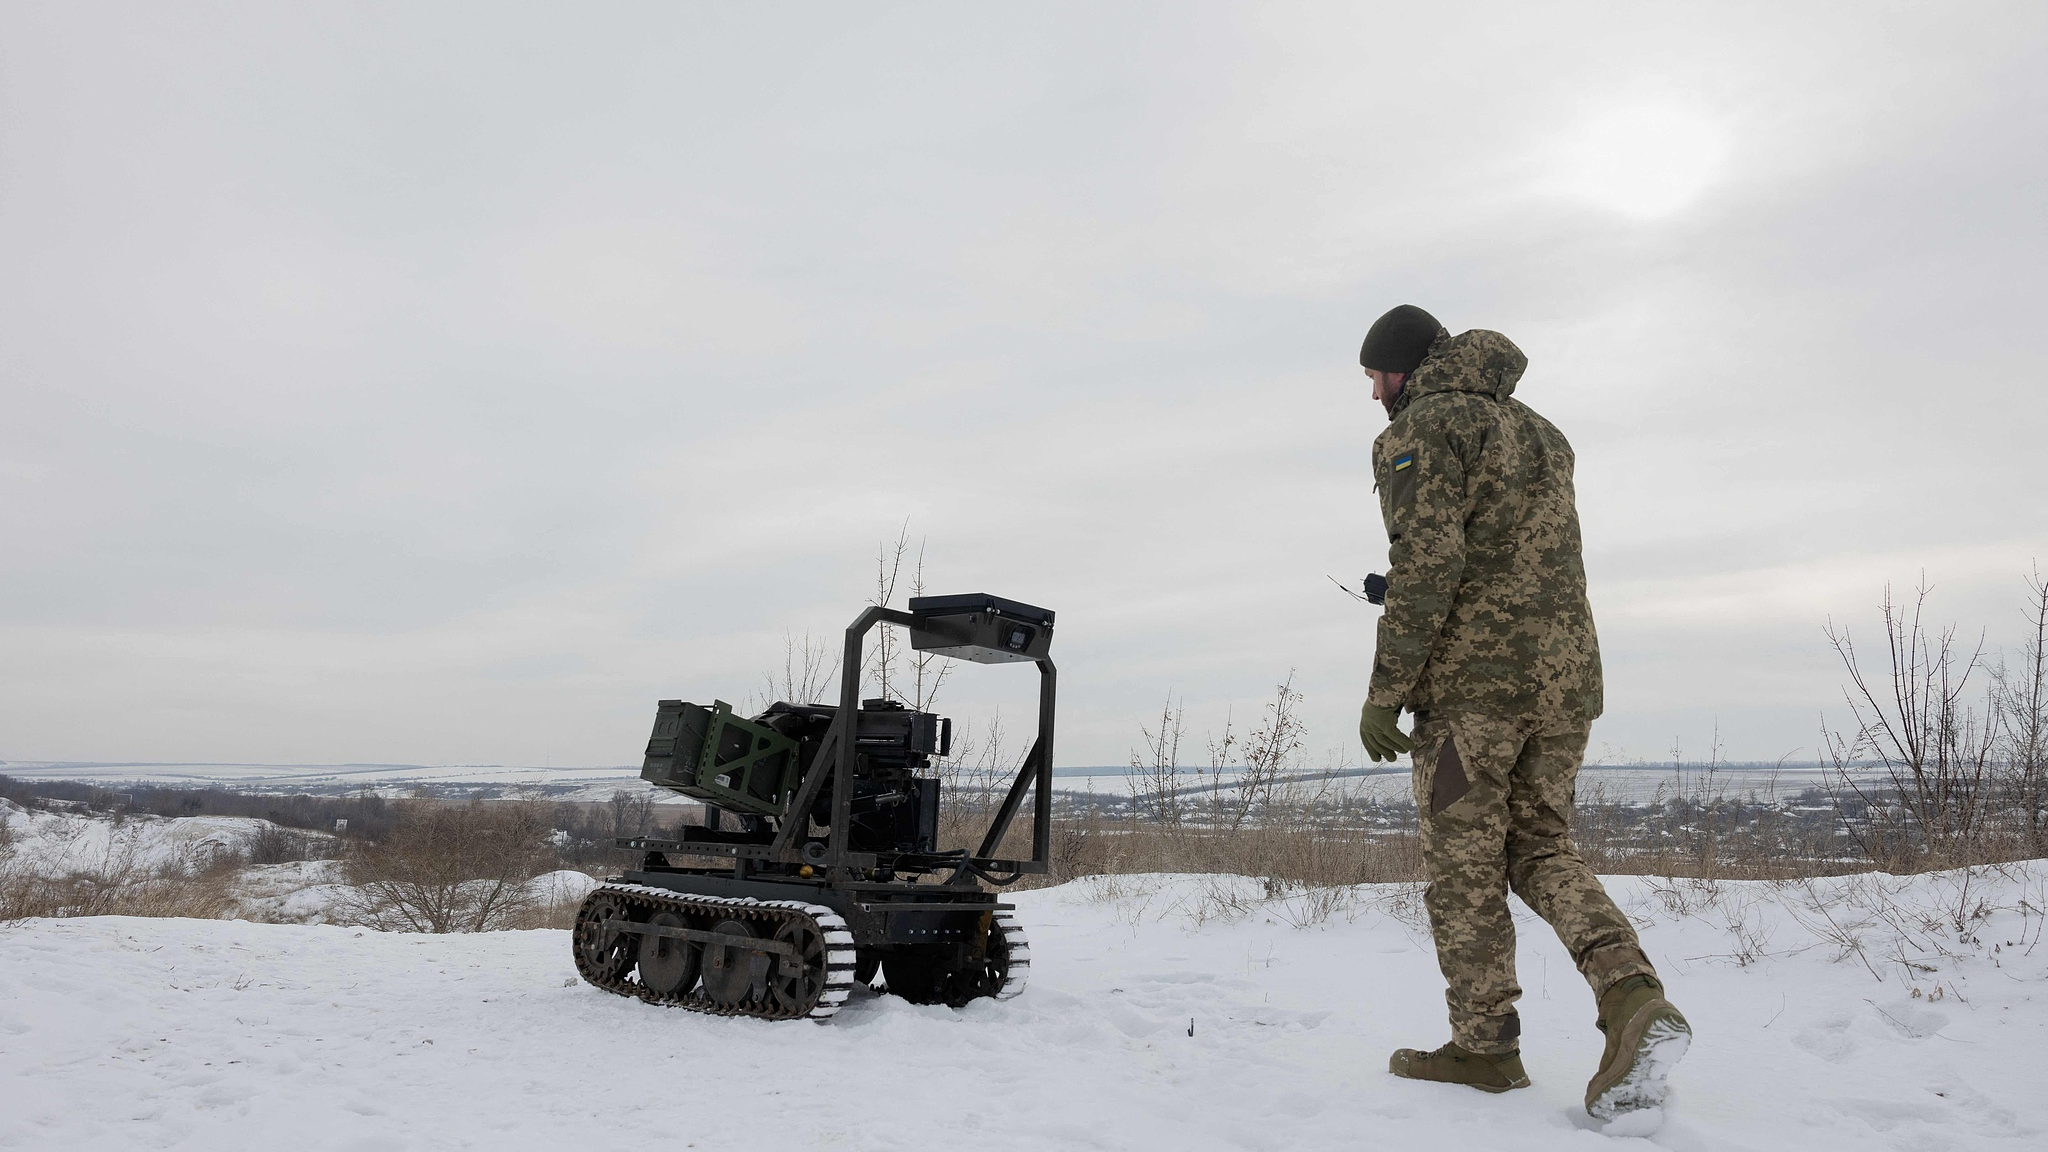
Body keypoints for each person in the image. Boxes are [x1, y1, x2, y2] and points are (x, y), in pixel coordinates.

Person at [1354, 304, 1691, 1118]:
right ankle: (1630, 994)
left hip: (1474, 696)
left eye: (1374, 376)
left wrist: (1384, 690)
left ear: (1403, 368)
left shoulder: (1421, 430)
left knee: (1464, 870)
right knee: (1541, 848)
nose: (1372, 395)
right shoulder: (1540, 430)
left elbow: (1432, 561)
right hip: (1565, 686)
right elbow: (1507, 555)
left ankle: (1484, 1048)